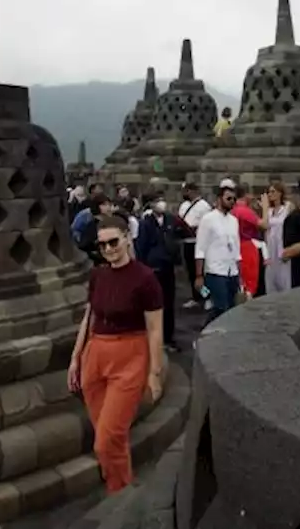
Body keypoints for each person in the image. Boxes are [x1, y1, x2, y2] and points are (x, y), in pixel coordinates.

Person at [67, 215, 165, 494]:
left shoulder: (145, 278)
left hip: (130, 355)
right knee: (110, 435)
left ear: (127, 238)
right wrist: (76, 358)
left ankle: (119, 492)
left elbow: (155, 329)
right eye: (103, 245)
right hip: (95, 354)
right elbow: (89, 318)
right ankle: (121, 492)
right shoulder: (98, 275)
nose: (109, 249)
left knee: (106, 440)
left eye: (113, 241)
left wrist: (154, 373)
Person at [135, 193, 181, 353]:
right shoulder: (146, 223)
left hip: (168, 267)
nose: (161, 204)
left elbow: (178, 236)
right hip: (153, 269)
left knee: (169, 303)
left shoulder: (170, 220)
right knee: (154, 304)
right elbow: (141, 247)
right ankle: (154, 338)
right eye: (157, 201)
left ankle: (169, 337)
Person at [193, 183, 240, 324]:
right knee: (220, 307)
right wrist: (199, 275)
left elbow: (237, 249)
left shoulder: (234, 221)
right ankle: (206, 333)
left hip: (232, 271)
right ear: (219, 199)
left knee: (231, 308)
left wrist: (240, 275)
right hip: (215, 271)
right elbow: (200, 248)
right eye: (228, 198)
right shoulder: (208, 219)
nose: (231, 202)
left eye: (233, 199)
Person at [176, 183, 213, 310]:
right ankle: (196, 297)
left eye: (187, 191)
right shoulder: (183, 206)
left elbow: (207, 223)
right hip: (187, 241)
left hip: (199, 242)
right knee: (191, 272)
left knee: (201, 272)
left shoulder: (204, 206)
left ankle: (207, 297)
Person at [231, 186, 267, 297]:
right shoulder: (244, 211)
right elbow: (263, 225)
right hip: (247, 248)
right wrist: (265, 207)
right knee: (251, 284)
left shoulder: (232, 210)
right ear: (245, 195)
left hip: (236, 247)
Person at [259, 180, 293, 294]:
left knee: (284, 282)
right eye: (269, 192)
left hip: (282, 248)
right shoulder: (268, 211)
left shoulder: (287, 207)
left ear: (280, 193)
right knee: (270, 282)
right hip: (270, 249)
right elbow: (265, 227)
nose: (270, 194)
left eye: (273, 191)